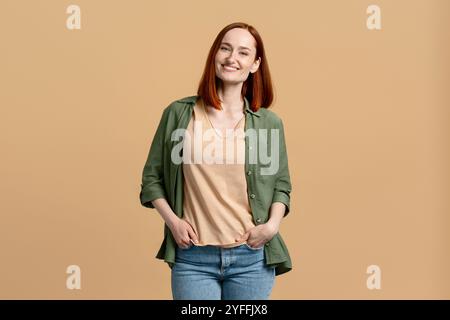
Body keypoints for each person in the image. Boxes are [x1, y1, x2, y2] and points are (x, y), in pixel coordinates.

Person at [139, 22, 292, 300]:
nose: (232, 58)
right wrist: (173, 222)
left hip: (251, 260)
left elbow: (281, 184)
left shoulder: (268, 123)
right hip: (193, 259)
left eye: (243, 53)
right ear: (215, 55)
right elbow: (152, 179)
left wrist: (271, 227)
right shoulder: (179, 115)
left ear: (255, 64)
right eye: (225, 48)